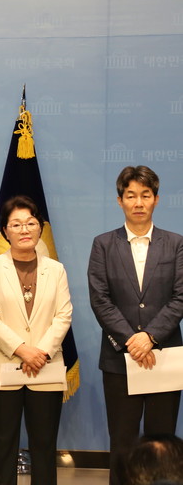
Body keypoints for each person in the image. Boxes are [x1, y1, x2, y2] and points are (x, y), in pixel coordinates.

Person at [88, 165, 183, 485]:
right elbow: (100, 299)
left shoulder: (176, 244)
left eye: (145, 195)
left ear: (156, 199)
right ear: (120, 201)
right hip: (119, 359)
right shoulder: (103, 244)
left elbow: (180, 297)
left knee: (162, 442)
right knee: (122, 441)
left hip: (164, 355)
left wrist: (150, 336)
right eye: (131, 196)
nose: (138, 202)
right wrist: (132, 340)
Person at [0, 195, 73, 485]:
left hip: (46, 366)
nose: (24, 229)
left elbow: (64, 315)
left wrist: (40, 352)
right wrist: (22, 350)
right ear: (5, 231)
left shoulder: (56, 269)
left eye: (30, 223)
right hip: (2, 367)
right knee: (2, 448)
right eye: (16, 224)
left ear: (40, 228)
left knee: (44, 447)